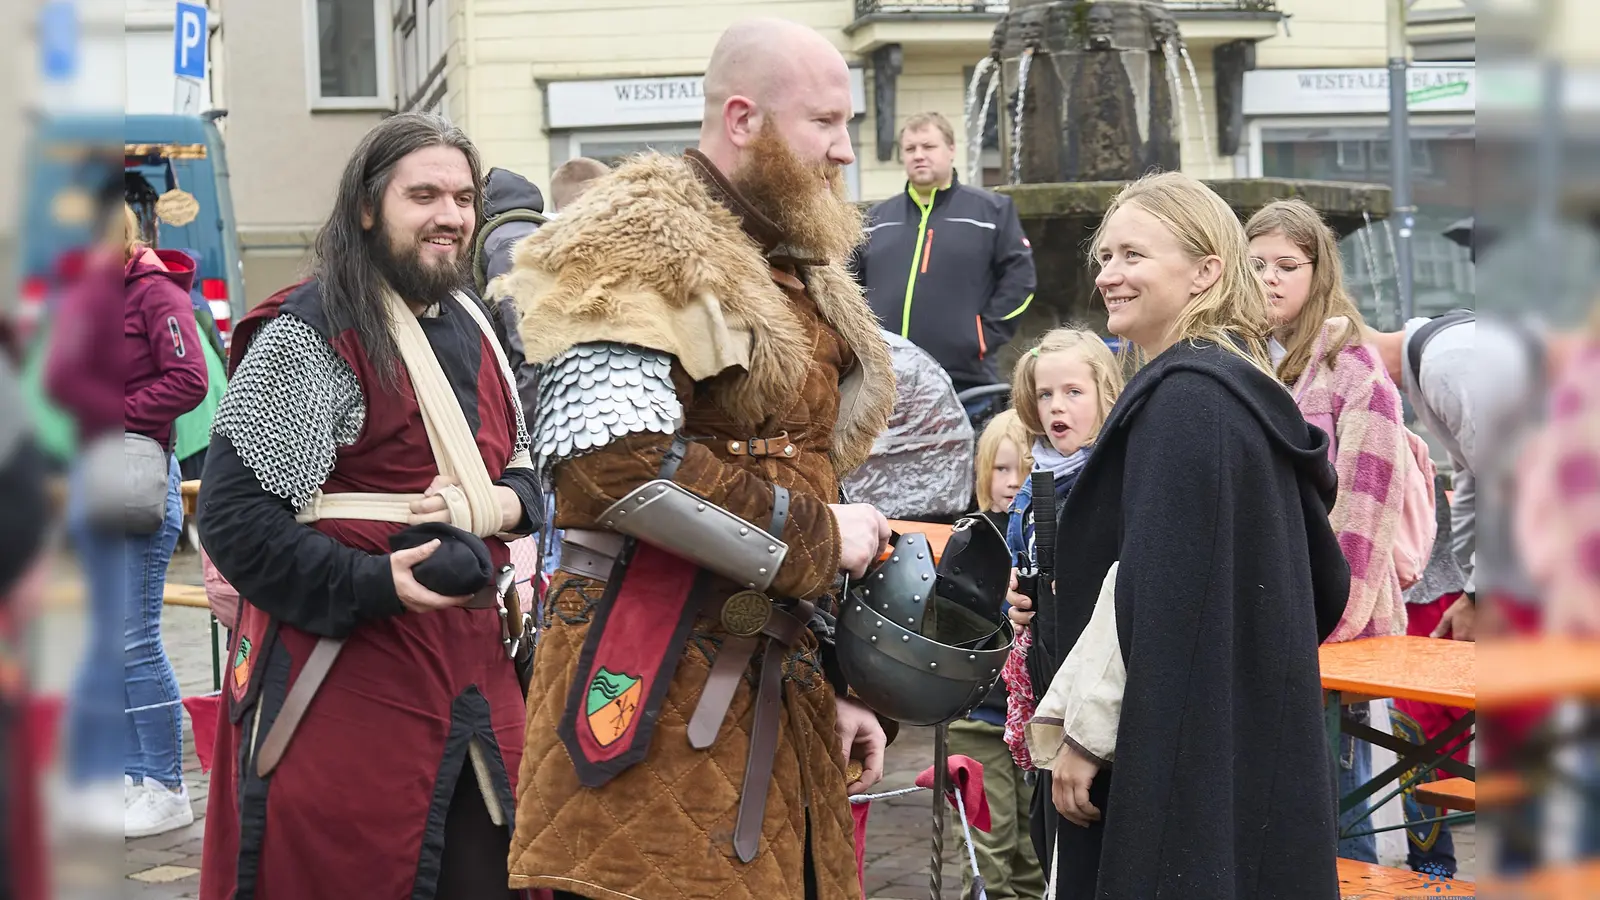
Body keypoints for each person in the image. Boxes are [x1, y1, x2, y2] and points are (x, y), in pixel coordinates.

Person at [498, 17, 898, 900]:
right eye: (825, 123)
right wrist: (820, 537)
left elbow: (805, 468)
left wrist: (840, 677)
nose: (843, 151)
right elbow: (615, 470)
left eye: (848, 126)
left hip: (777, 670)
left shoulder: (796, 261)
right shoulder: (633, 241)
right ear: (745, 118)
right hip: (650, 667)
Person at [196, 114, 543, 899]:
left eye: (462, 197)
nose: (449, 216)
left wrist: (500, 505)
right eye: (423, 195)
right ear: (366, 206)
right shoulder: (314, 331)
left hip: (475, 673)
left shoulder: (478, 324)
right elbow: (234, 519)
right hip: (348, 679)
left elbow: (524, 471)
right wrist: (375, 585)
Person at [1009, 172, 1350, 898]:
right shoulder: (1230, 388)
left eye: (1133, 255)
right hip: (1230, 731)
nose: (1109, 275)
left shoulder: (1188, 403)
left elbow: (1157, 592)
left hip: (1170, 748)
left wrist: (1087, 732)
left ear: (1205, 272)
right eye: (1103, 257)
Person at [1246, 199, 1411, 863]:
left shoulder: (1355, 368)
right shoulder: (1243, 360)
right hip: (1264, 614)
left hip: (1333, 621)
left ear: (1318, 273)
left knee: (1339, 796)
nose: (1269, 278)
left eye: (1287, 265)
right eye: (1255, 264)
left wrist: (1330, 619)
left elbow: (1367, 508)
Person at [48, 201, 209, 837]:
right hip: (94, 473)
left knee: (134, 637)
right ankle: (129, 775)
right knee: (106, 638)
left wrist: (115, 409)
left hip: (138, 475)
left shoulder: (154, 293)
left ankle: (165, 786)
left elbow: (189, 379)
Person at [855, 111, 1035, 419]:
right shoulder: (875, 219)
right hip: (886, 383)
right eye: (911, 149)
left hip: (964, 381)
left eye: (928, 146)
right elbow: (850, 287)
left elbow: (1021, 282)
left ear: (951, 149)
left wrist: (981, 338)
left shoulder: (991, 211)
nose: (919, 156)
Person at [946, 409, 1041, 900]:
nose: (1011, 482)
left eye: (1023, 470)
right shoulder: (974, 538)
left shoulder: (1042, 534)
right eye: (1001, 469)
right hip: (979, 719)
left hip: (1031, 720)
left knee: (1033, 854)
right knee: (989, 842)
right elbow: (953, 619)